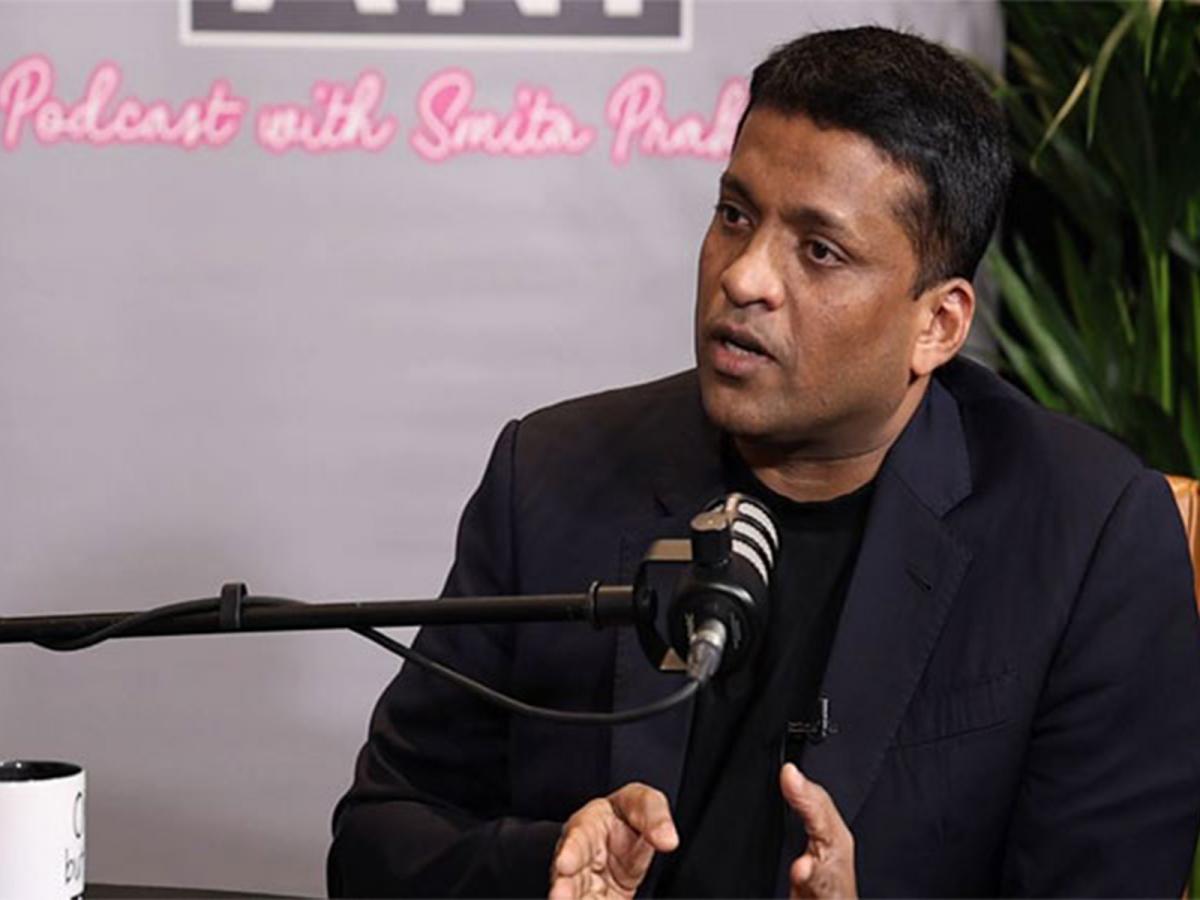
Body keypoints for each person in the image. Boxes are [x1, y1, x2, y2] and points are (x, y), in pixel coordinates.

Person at [328, 26, 1200, 897]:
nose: (744, 277)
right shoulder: (554, 474)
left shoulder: (1087, 542)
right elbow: (378, 840)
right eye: (735, 216)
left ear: (937, 324)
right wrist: (544, 860)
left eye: (820, 251)